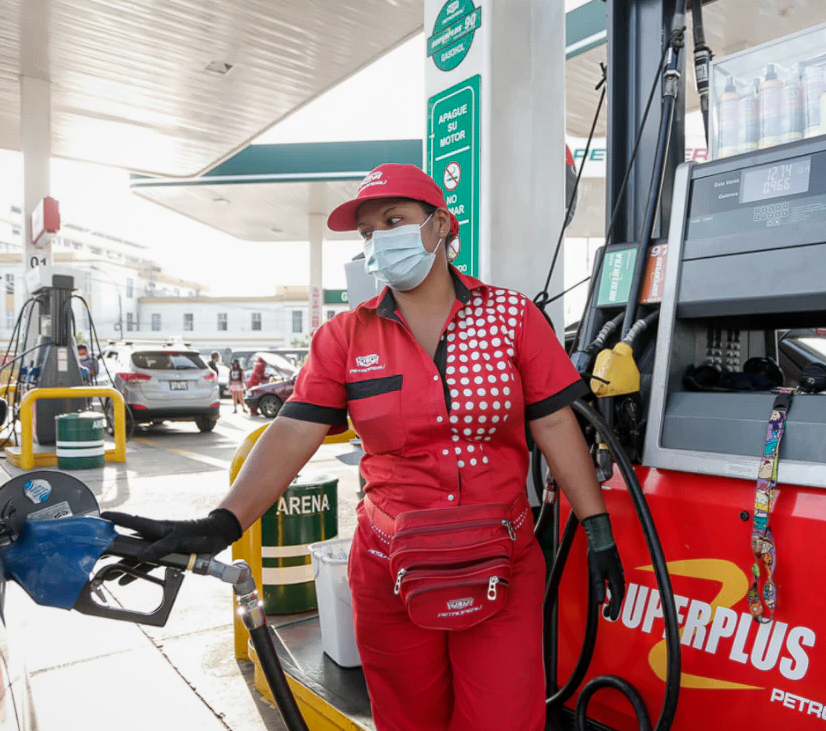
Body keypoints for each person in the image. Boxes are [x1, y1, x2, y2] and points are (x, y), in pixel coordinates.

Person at [103, 163, 623, 731]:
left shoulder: (511, 317)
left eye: (394, 220)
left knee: (501, 719)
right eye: (368, 232)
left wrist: (598, 531)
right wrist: (222, 523)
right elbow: (295, 430)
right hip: (388, 570)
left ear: (441, 226)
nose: (379, 240)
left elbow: (554, 425)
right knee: (407, 721)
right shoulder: (345, 336)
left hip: (498, 563)